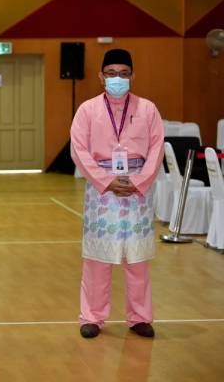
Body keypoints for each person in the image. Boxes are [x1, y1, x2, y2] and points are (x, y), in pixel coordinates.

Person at [71, 48, 164, 339]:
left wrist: (140, 181)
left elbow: (157, 148)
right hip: (102, 192)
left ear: (132, 76)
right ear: (101, 76)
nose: (117, 79)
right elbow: (79, 149)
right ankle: (92, 316)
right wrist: (105, 181)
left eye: (123, 74)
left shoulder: (148, 109)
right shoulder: (87, 110)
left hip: (137, 190)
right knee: (98, 257)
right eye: (111, 74)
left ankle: (140, 317)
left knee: (136, 258)